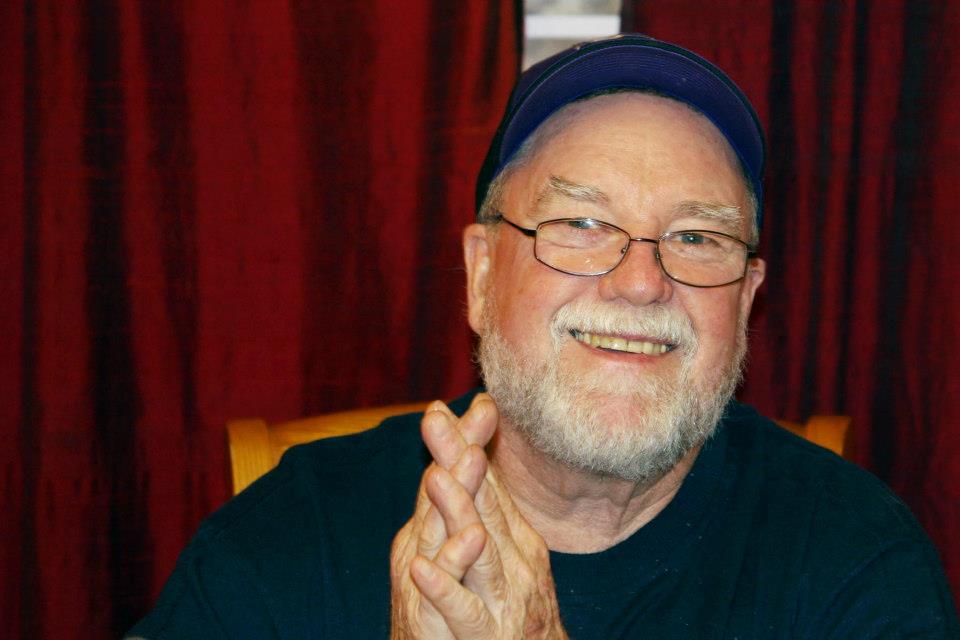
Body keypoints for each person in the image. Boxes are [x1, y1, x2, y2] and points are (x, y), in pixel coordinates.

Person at [127, 35, 958, 639]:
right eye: (582, 224)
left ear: (746, 300)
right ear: (482, 274)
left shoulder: (855, 560)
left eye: (697, 237)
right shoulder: (294, 531)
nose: (642, 281)